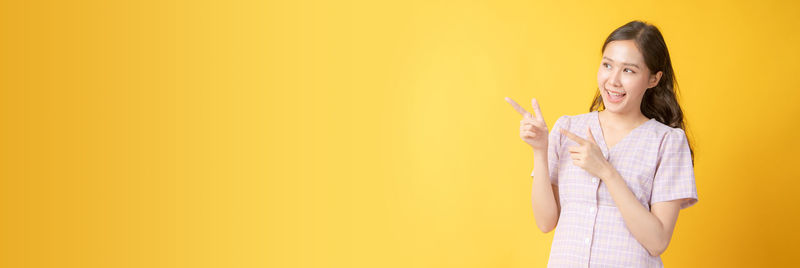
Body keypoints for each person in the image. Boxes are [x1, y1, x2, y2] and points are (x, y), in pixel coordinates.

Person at [504, 20, 698, 267]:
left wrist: (606, 171)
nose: (613, 80)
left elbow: (657, 241)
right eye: (608, 65)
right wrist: (540, 151)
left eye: (629, 70)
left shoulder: (667, 142)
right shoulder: (568, 129)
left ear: (653, 79)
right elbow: (546, 222)